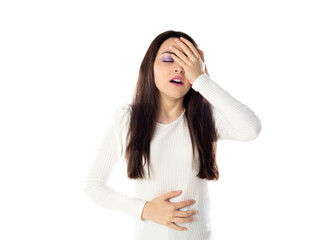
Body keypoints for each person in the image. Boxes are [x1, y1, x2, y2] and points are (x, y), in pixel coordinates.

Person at [83, 30, 261, 240]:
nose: (178, 67)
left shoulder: (207, 119)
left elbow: (251, 128)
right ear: (150, 67)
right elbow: (93, 186)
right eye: (168, 59)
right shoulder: (126, 119)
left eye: (187, 62)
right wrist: (145, 209)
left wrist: (202, 80)